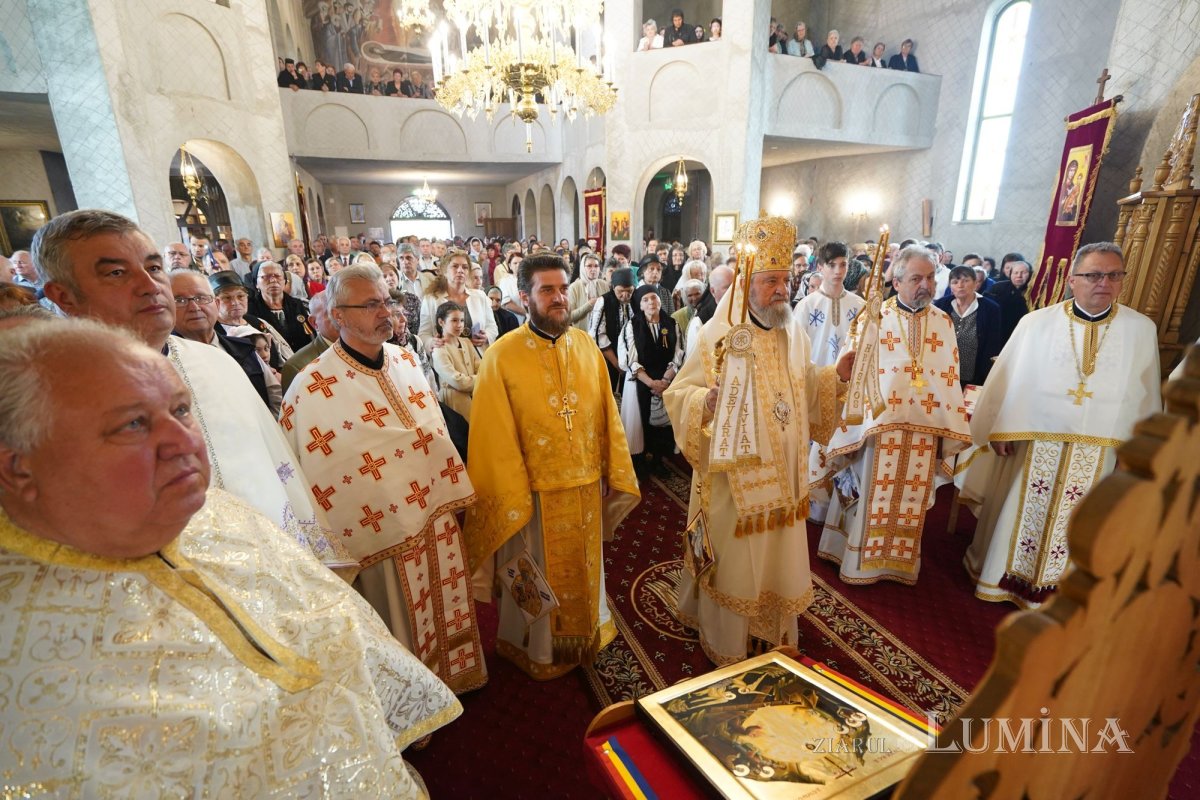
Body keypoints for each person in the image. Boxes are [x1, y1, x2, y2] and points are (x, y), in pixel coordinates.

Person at [0, 319, 460, 797]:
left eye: (182, 409)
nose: (184, 443)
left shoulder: (223, 515)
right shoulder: (19, 655)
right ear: (19, 466)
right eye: (133, 423)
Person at [35, 209, 351, 573]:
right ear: (63, 296)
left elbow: (279, 466)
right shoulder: (45, 401)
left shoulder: (218, 364)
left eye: (154, 268)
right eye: (116, 273)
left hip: (277, 574)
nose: (150, 285)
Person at [281, 265, 487, 693]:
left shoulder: (407, 360)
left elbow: (431, 430)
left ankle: (455, 676)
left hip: (435, 512)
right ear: (338, 315)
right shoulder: (311, 387)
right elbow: (313, 471)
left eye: (387, 301)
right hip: (378, 534)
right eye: (370, 304)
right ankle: (413, 699)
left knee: (445, 598)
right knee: (398, 619)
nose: (385, 313)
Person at [663, 216, 853, 665]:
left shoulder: (794, 333)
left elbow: (804, 387)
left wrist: (834, 378)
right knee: (736, 560)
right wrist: (704, 404)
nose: (782, 290)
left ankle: (772, 627)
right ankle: (727, 637)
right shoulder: (717, 335)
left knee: (775, 558)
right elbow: (680, 394)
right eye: (771, 282)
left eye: (786, 280)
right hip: (737, 479)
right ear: (747, 283)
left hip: (785, 477)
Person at [464, 254, 640, 679]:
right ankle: (539, 651)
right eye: (547, 291)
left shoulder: (584, 346)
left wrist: (608, 470)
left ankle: (588, 631)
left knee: (584, 570)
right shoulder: (501, 357)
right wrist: (515, 490)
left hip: (583, 488)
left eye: (563, 288)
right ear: (524, 297)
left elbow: (606, 417)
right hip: (534, 495)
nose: (559, 298)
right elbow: (492, 435)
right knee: (536, 572)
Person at [960, 243, 1161, 607]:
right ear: (1072, 280)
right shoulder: (1037, 323)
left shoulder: (1140, 330)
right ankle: (1001, 579)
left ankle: (1063, 591)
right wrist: (1002, 429)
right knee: (1020, 512)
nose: (1104, 283)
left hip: (1101, 450)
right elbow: (1010, 380)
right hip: (1034, 442)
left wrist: (1141, 451)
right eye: (1094, 275)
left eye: (1114, 275)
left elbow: (1145, 397)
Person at [817, 246, 972, 585]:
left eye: (930, 278)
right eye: (917, 278)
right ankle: (856, 561)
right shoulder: (875, 318)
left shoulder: (943, 322)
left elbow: (949, 376)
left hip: (925, 430)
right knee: (868, 491)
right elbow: (851, 374)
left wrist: (949, 423)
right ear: (897, 281)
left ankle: (897, 562)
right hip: (877, 429)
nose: (926, 285)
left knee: (909, 499)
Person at [793, 244, 867, 522]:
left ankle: (839, 509)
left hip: (848, 391)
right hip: (816, 387)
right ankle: (812, 503)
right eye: (832, 265)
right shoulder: (805, 306)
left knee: (843, 448)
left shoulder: (859, 306)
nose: (838, 271)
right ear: (820, 268)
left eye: (843, 265)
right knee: (814, 446)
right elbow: (797, 351)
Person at [170, 270, 281, 414]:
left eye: (201, 298)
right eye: (180, 301)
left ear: (215, 303)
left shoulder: (244, 349)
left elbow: (275, 397)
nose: (194, 307)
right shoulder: (164, 363)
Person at [619, 285, 683, 477]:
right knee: (638, 424)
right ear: (639, 305)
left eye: (654, 298)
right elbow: (629, 359)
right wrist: (651, 383)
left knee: (663, 425)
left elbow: (679, 353)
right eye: (645, 300)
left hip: (666, 381)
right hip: (640, 381)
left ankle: (657, 460)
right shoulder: (632, 326)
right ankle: (638, 462)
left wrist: (664, 381)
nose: (651, 303)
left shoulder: (672, 324)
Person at [933, 265, 1004, 386]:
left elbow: (992, 343)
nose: (960, 285)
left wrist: (985, 372)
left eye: (966, 281)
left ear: (976, 283)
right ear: (950, 286)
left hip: (973, 370)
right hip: (942, 367)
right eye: (955, 282)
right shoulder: (941, 305)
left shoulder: (991, 308)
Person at [419, 248, 497, 350]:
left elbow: (492, 327)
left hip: (478, 356)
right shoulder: (431, 299)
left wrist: (486, 337)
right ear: (445, 272)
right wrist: (432, 342)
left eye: (464, 267)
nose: (460, 270)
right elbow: (423, 334)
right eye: (455, 266)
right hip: (446, 358)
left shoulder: (480, 296)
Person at [431, 301, 482, 421]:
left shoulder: (466, 342)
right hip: (454, 402)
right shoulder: (439, 349)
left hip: (475, 397)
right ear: (441, 322)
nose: (459, 325)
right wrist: (481, 379)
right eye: (454, 320)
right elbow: (457, 381)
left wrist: (479, 377)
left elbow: (481, 367)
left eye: (462, 320)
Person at [589, 266, 636, 393]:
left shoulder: (636, 299)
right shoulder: (603, 302)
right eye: (621, 291)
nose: (625, 295)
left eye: (629, 291)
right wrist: (618, 364)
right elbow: (598, 335)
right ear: (613, 287)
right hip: (609, 358)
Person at [280, 288, 336, 393]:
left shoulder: (365, 349)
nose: (340, 317)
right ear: (314, 323)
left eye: (344, 310)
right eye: (330, 313)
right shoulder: (297, 367)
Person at [685, 264, 735, 360]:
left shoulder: (744, 312)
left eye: (735, 286)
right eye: (728, 288)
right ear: (713, 291)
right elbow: (694, 361)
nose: (734, 291)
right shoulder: (700, 321)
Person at [985, 258, 1032, 346]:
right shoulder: (997, 288)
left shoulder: (1036, 292)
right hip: (999, 333)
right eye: (1016, 272)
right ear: (1010, 274)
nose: (1019, 276)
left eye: (1024, 272)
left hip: (1024, 335)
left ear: (1030, 274)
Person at [568, 251, 609, 330]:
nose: (593, 269)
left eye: (596, 266)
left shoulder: (604, 284)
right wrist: (589, 305)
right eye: (589, 266)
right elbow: (569, 317)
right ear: (583, 268)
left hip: (601, 334)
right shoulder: (574, 287)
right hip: (581, 333)